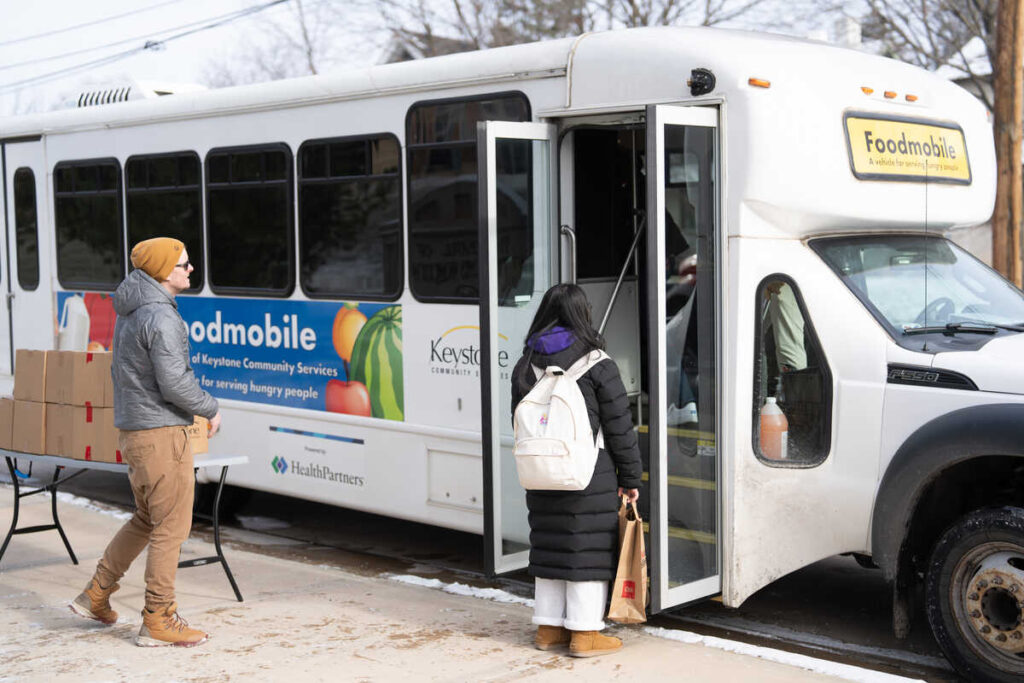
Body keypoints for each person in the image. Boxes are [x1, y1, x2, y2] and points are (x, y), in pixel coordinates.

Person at [69, 237, 222, 647]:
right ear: (163, 271)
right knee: (171, 528)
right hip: (161, 435)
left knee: (145, 519)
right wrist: (210, 407)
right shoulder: (162, 317)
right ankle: (158, 617)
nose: (191, 270)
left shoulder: (131, 311)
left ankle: (96, 593)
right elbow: (174, 383)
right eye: (185, 264)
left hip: (135, 433)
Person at [511, 283, 643, 658]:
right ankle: (585, 635)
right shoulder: (598, 363)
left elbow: (518, 420)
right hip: (590, 473)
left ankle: (549, 630)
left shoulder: (526, 363)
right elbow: (619, 427)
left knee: (550, 547)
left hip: (541, 470)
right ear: (582, 315)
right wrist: (631, 479)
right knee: (588, 551)